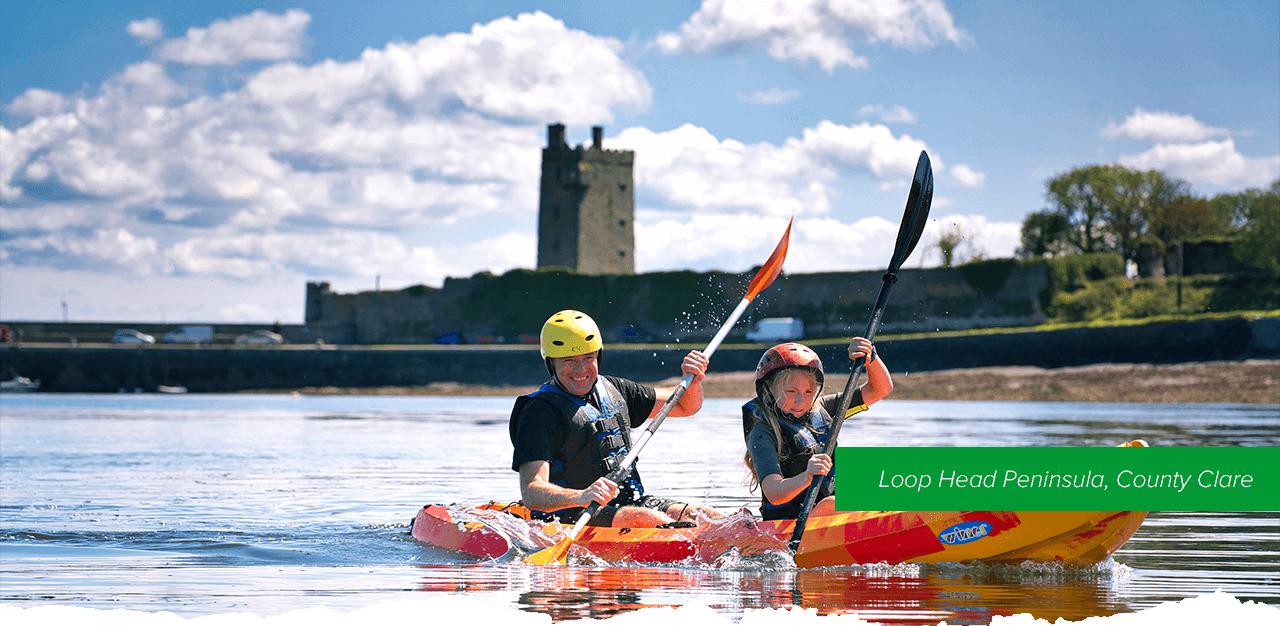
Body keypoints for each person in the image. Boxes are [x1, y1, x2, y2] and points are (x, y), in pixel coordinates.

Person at [510, 310, 726, 528]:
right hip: (571, 514)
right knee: (651, 520)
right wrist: (582, 496)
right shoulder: (538, 412)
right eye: (568, 360)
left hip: (631, 505)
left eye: (588, 358)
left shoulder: (616, 390)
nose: (580, 369)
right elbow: (532, 493)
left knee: (702, 514)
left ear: (599, 356)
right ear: (551, 363)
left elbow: (683, 405)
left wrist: (694, 380)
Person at [742, 339, 892, 520]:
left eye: (808, 392)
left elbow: (880, 389)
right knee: (831, 504)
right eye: (791, 391)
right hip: (790, 522)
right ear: (768, 390)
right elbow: (774, 493)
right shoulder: (762, 432)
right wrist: (807, 476)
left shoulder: (822, 409)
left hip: (828, 510)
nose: (801, 401)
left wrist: (871, 359)